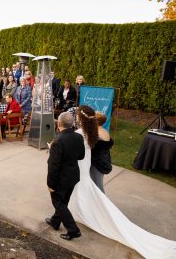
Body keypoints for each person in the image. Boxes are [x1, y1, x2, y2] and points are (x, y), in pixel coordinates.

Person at [69, 105, 176, 258]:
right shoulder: (91, 132)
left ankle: (98, 213)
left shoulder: (82, 133)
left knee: (96, 193)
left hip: (89, 168)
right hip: (87, 169)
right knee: (90, 192)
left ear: (81, 119)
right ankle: (90, 211)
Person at [45, 112, 85, 240]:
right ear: (71, 124)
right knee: (63, 201)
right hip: (72, 176)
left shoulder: (57, 141)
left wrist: (50, 184)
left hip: (60, 179)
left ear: (59, 123)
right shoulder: (78, 137)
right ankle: (55, 221)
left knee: (58, 203)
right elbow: (81, 156)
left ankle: (73, 230)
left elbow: (53, 166)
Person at [90, 112, 114, 193]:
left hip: (97, 162)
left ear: (96, 122)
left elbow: (93, 148)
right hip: (103, 160)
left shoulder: (97, 133)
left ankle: (102, 202)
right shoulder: (104, 131)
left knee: (97, 185)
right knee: (96, 182)